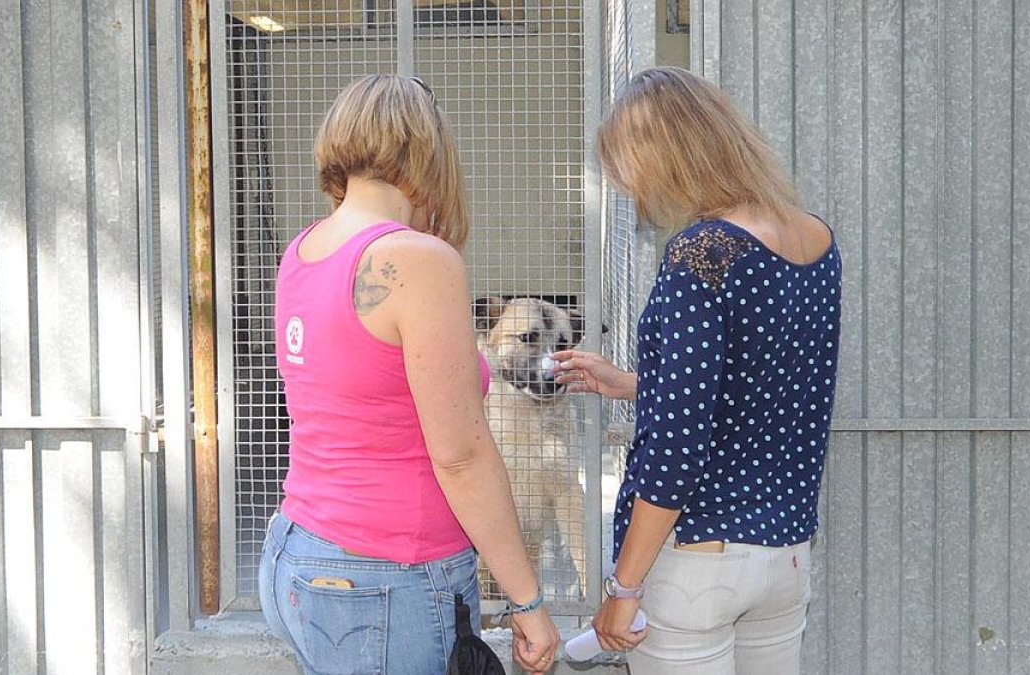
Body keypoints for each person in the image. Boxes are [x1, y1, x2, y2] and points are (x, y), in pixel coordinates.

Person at [260, 74, 560, 675]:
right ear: (431, 152)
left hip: (298, 550)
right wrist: (526, 597)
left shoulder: (305, 248)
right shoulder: (417, 260)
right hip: (388, 576)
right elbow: (461, 456)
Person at [552, 66, 841, 674]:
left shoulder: (702, 253)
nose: (631, 191)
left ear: (666, 158)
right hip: (785, 556)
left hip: (698, 558)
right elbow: (770, 385)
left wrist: (622, 590)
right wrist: (635, 385)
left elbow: (676, 448)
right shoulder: (815, 240)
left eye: (628, 169)